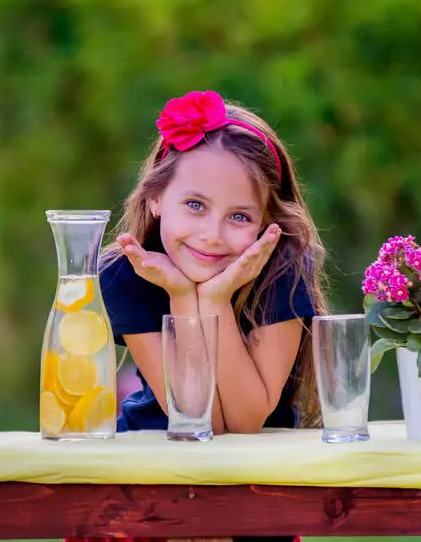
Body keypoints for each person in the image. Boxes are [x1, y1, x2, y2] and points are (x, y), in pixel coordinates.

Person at [100, 89, 328, 437]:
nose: (212, 235)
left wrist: (215, 300)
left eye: (239, 216)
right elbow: (198, 422)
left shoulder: (283, 266)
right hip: (152, 457)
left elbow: (243, 423)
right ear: (155, 197)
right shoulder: (124, 274)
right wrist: (179, 292)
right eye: (195, 205)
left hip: (267, 472)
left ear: (267, 222)